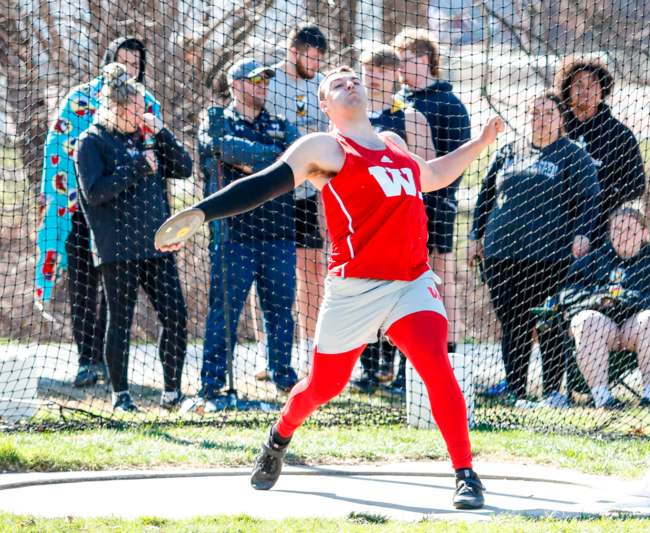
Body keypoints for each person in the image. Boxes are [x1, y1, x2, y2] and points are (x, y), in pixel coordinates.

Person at [155, 66, 504, 509]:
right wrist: (201, 213)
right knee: (324, 386)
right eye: (337, 84)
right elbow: (263, 185)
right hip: (355, 288)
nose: (350, 83)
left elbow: (431, 177)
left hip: (410, 283)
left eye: (353, 78)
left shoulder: (394, 144)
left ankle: (465, 474)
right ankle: (279, 436)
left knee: (436, 365)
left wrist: (480, 144)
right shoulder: (324, 147)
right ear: (324, 105)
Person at [35, 36, 161, 388]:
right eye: (121, 61)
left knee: (116, 288)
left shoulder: (146, 105)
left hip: (124, 213)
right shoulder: (79, 99)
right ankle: (86, 360)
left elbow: (157, 157)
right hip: (79, 208)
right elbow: (56, 147)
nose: (127, 69)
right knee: (82, 286)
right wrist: (53, 196)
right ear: (107, 61)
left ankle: (110, 361)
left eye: (135, 64)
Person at [467, 92, 600, 405]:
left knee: (549, 320)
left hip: (549, 256)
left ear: (560, 119)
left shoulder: (572, 155)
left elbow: (589, 201)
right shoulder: (509, 151)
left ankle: (553, 391)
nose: (540, 119)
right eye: (534, 112)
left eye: (547, 113)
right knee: (513, 322)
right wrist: (476, 235)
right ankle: (517, 390)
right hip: (502, 252)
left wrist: (582, 234)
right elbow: (486, 195)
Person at [75, 63, 192, 412]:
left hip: (157, 245)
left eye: (141, 107)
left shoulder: (146, 136)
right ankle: (120, 396)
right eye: (132, 108)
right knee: (120, 321)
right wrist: (139, 166)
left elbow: (184, 168)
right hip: (118, 249)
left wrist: (163, 134)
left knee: (175, 316)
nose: (139, 114)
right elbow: (94, 192)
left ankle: (172, 392)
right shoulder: (91, 141)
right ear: (113, 107)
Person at [196, 58, 301, 407]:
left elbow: (290, 160)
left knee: (280, 310)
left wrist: (248, 160)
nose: (262, 87)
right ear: (235, 84)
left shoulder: (279, 124)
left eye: (265, 81)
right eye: (255, 81)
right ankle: (212, 385)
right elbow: (216, 152)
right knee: (224, 311)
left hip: (278, 230)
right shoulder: (216, 121)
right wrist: (264, 160)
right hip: (233, 234)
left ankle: (283, 377)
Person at [352, 44, 435, 394]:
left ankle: (402, 375)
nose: (375, 79)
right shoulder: (351, 116)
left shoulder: (410, 116)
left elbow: (426, 169)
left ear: (395, 75)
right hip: (361, 225)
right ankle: (369, 372)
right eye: (369, 73)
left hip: (400, 226)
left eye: (382, 73)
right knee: (364, 297)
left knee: (404, 298)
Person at [392, 28, 471, 353]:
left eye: (404, 61)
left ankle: (448, 346)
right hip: (399, 207)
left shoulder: (449, 103)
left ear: (425, 59)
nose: (399, 69)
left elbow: (458, 156)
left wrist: (437, 192)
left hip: (438, 204)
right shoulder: (398, 102)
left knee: (440, 272)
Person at [563, 207, 650, 408]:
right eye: (617, 229)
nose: (623, 234)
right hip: (603, 329)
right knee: (586, 320)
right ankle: (603, 399)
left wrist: (635, 300)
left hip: (637, 331)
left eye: (630, 228)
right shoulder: (593, 260)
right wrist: (599, 299)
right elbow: (567, 295)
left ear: (644, 233)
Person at [266, 25, 330, 370]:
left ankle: (310, 351)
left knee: (311, 272)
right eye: (311, 57)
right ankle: (269, 352)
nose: (316, 64)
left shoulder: (319, 87)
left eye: (321, 59)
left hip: (308, 192)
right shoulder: (269, 80)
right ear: (293, 52)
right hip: (273, 191)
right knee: (267, 271)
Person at [553, 55, 646, 248]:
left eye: (592, 84)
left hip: (600, 233)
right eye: (578, 84)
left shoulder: (619, 134)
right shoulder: (555, 128)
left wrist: (601, 195)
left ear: (603, 90)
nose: (585, 90)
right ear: (567, 89)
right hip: (554, 228)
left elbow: (637, 185)